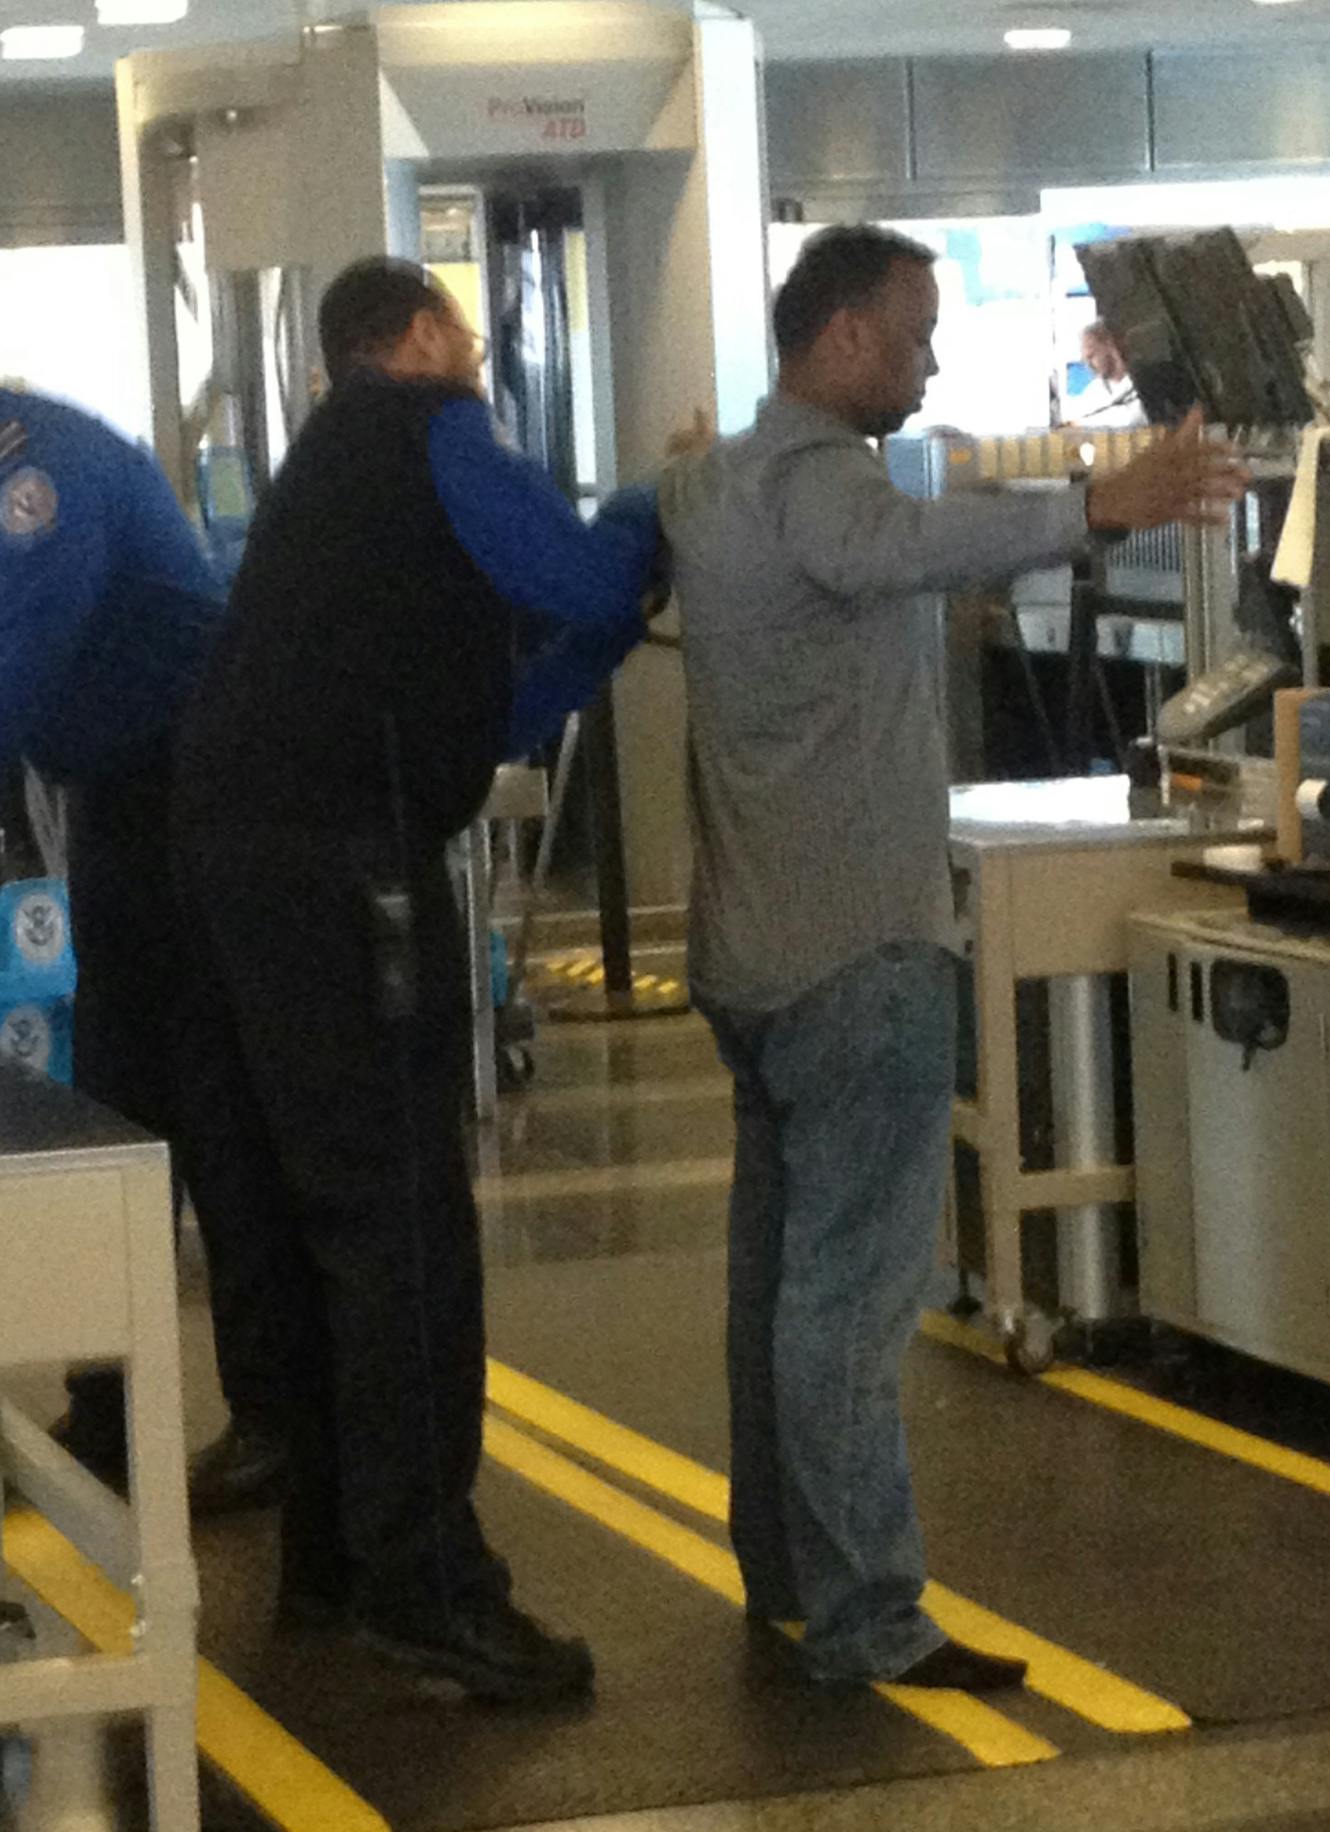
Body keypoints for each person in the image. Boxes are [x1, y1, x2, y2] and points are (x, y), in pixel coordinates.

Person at [658, 223, 1247, 1692]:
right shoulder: (819, 487)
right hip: (856, 953)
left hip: (752, 956)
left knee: (775, 1294)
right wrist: (1096, 508)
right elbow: (904, 546)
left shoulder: (710, 481)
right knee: (847, 1305)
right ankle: (868, 1613)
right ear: (845, 335)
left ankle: (790, 1575)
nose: (928, 363)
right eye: (916, 335)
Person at [171, 256, 660, 1706]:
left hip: (236, 863)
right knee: (402, 1226)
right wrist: (649, 514)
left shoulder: (332, 477)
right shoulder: (423, 426)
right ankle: (431, 1585)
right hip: (339, 875)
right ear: (430, 337)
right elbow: (575, 565)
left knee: (310, 1215)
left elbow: (492, 703)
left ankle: (335, 1557)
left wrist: (607, 634)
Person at [0, 387, 291, 1504]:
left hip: (192, 786)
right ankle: (109, 1408)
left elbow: (21, 654)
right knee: (117, 1103)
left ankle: (270, 1413)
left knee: (212, 1105)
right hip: (118, 796)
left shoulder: (43, 471)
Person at [1068, 319, 1147, 429]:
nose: (1088, 365)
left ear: (1109, 346)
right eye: (1085, 360)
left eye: (1091, 356)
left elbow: (1134, 419)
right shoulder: (1092, 391)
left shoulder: (1143, 380)